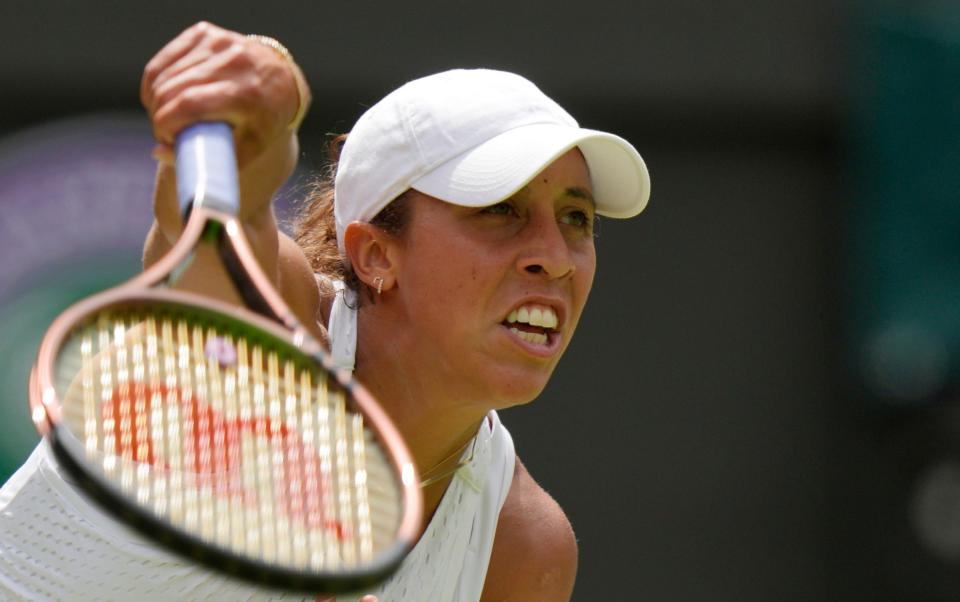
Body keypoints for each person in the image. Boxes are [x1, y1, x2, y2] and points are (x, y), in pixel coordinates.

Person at [0, 21, 649, 601]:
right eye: (499, 209)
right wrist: (253, 108)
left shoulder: (522, 552)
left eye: (575, 218)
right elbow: (213, 228)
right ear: (373, 256)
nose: (556, 256)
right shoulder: (261, 329)